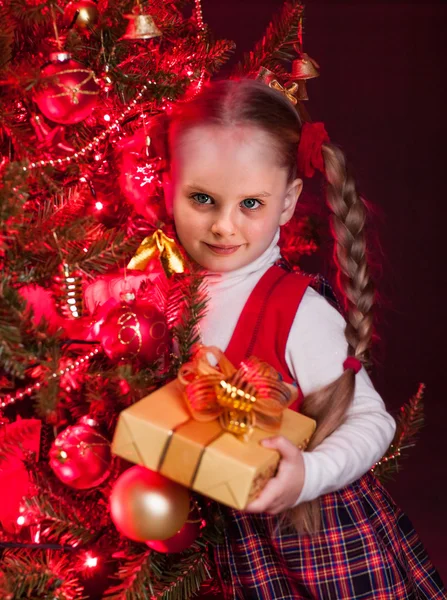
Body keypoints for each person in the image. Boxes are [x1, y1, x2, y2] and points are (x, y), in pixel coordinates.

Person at [161, 79, 445, 599]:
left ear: (288, 202)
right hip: (227, 541)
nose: (224, 226)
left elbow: (371, 420)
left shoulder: (296, 312)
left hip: (310, 541)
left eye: (250, 203)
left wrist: (307, 475)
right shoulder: (174, 293)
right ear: (167, 186)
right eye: (202, 198)